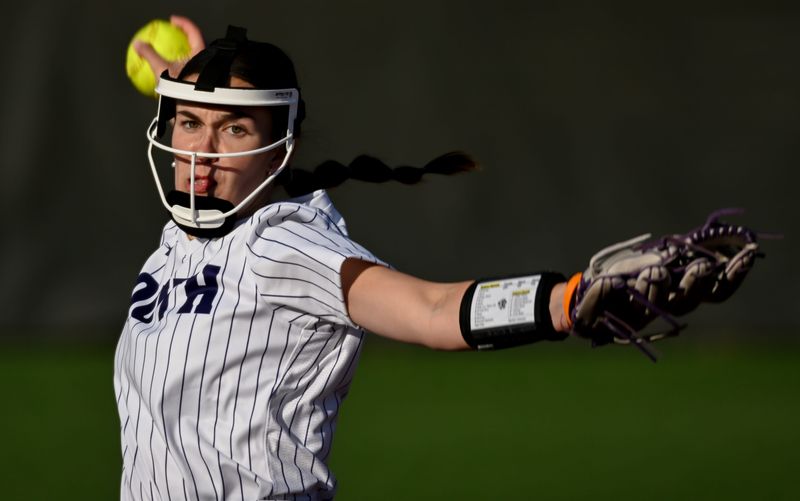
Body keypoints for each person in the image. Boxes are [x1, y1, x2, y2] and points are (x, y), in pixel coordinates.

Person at [116, 16, 758, 501]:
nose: (202, 151)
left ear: (280, 144)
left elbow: (430, 310)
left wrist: (563, 302)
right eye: (187, 124)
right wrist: (203, 87)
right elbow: (209, 150)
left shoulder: (286, 246)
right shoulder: (183, 241)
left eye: (234, 129)